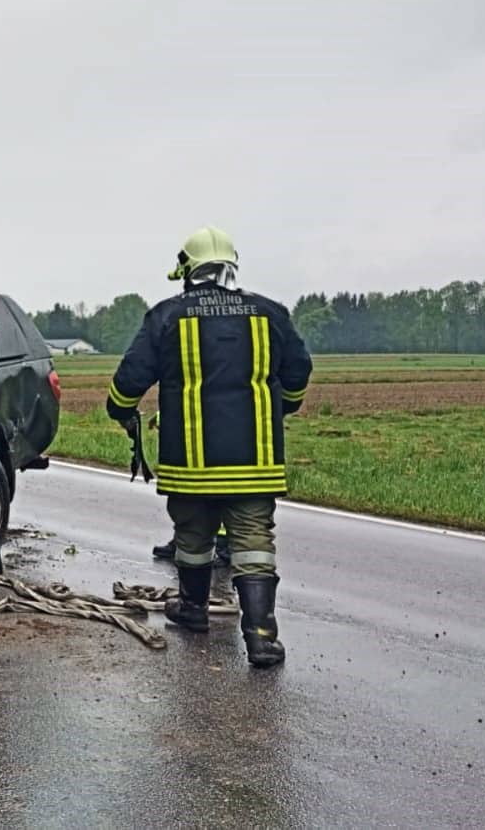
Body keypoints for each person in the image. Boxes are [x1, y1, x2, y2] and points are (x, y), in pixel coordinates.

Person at [105, 227, 312, 668]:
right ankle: (262, 638)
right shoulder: (270, 313)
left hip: (190, 465)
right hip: (255, 464)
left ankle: (193, 610)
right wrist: (282, 405)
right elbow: (298, 374)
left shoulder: (167, 316)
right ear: (231, 265)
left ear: (187, 270)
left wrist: (120, 410)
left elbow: (129, 381)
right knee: (254, 543)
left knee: (193, 538)